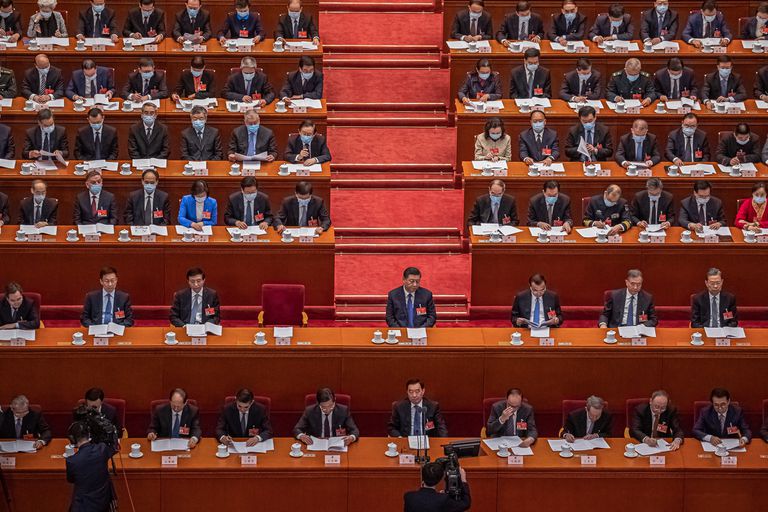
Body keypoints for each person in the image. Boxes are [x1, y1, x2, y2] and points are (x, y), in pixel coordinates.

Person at [66, 420, 116, 512]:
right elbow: (114, 447)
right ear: (89, 434)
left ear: (72, 439)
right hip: (104, 502)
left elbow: (71, 479)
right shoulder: (102, 449)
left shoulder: (72, 461)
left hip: (84, 507)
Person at [293, 388, 359, 445]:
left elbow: (354, 430)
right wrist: (301, 436)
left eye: (331, 406)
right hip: (315, 444)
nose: (328, 410)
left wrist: (351, 438)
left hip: (337, 445)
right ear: (318, 403)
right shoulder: (310, 411)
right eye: (323, 407)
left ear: (335, 400)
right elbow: (297, 429)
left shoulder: (343, 410)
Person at [403, 463, 470, 512]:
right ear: (440, 479)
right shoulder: (444, 500)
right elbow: (466, 504)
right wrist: (463, 480)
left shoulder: (409, 497)